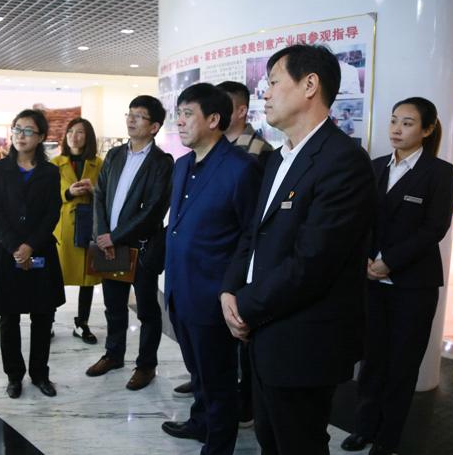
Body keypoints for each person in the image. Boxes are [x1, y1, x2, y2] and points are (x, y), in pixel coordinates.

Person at [219, 44, 376, 455]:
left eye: (273, 82)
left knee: (299, 443)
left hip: (303, 340)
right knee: (270, 439)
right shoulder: (278, 158)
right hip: (263, 329)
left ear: (309, 85)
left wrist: (245, 306)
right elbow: (253, 233)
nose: (265, 93)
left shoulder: (343, 161)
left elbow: (313, 263)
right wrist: (230, 289)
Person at [341, 97, 453, 455]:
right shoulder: (376, 167)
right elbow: (360, 219)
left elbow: (434, 228)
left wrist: (389, 262)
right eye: (394, 121)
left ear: (427, 129)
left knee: (402, 365)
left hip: (413, 286)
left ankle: (387, 439)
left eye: (407, 123)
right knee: (372, 359)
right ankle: (363, 427)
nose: (396, 129)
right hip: (372, 282)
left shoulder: (439, 173)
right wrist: (365, 260)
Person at [160, 83, 261, 454]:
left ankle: (218, 445)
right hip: (179, 288)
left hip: (213, 294)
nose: (180, 122)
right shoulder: (181, 165)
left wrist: (235, 291)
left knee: (219, 379)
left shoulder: (241, 168)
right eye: (179, 114)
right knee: (198, 371)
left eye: (188, 114)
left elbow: (251, 237)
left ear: (214, 119)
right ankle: (200, 422)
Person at [85, 95, 173, 391]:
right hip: (109, 246)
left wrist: (116, 236)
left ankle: (146, 365)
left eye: (139, 116)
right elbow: (99, 195)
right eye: (129, 113)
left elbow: (154, 209)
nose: (131, 120)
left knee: (147, 310)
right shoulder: (114, 155)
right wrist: (102, 235)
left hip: (142, 248)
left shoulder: (162, 162)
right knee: (114, 306)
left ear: (154, 127)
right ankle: (113, 355)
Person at [0, 109, 65, 399]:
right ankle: (14, 376)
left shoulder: (50, 172)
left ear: (40, 137)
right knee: (9, 318)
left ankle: (40, 373)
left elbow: (52, 212)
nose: (20, 135)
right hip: (6, 251)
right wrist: (16, 246)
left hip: (40, 251)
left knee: (43, 316)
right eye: (17, 129)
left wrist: (31, 245)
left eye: (28, 130)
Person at [51, 118, 103, 344]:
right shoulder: (55, 163)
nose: (74, 136)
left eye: (80, 132)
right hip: (62, 228)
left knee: (87, 278)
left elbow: (107, 193)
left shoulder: (98, 163)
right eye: (70, 131)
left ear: (88, 136)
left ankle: (82, 323)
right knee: (54, 277)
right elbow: (45, 196)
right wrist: (68, 193)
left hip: (88, 227)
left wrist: (93, 191)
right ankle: (48, 321)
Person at [218, 80, 274, 165]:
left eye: (221, 107)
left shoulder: (262, 150)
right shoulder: (213, 145)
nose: (215, 114)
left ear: (242, 111)